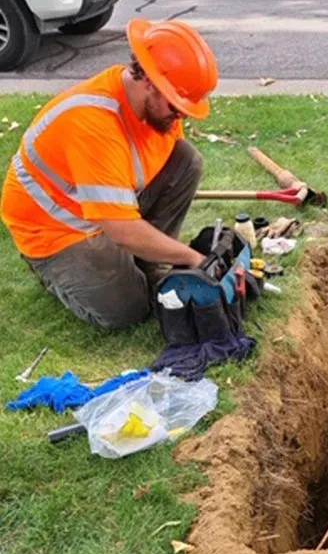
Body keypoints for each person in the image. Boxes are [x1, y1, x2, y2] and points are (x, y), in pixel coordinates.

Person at [0, 18, 218, 329]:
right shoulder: (93, 123)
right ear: (149, 82)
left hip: (102, 211)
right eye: (176, 105)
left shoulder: (158, 111)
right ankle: (51, 273)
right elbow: (121, 230)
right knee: (129, 312)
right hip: (57, 230)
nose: (181, 115)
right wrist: (193, 259)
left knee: (186, 161)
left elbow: (158, 172)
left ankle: (147, 262)